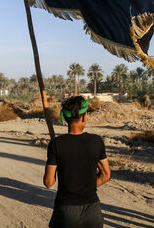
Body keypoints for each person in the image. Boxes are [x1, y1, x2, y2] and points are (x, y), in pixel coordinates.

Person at [43, 96, 110, 228]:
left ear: (66, 118)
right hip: (92, 211)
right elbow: (106, 175)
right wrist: (87, 186)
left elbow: (48, 182)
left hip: (66, 212)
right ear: (84, 117)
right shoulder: (96, 141)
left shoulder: (56, 144)